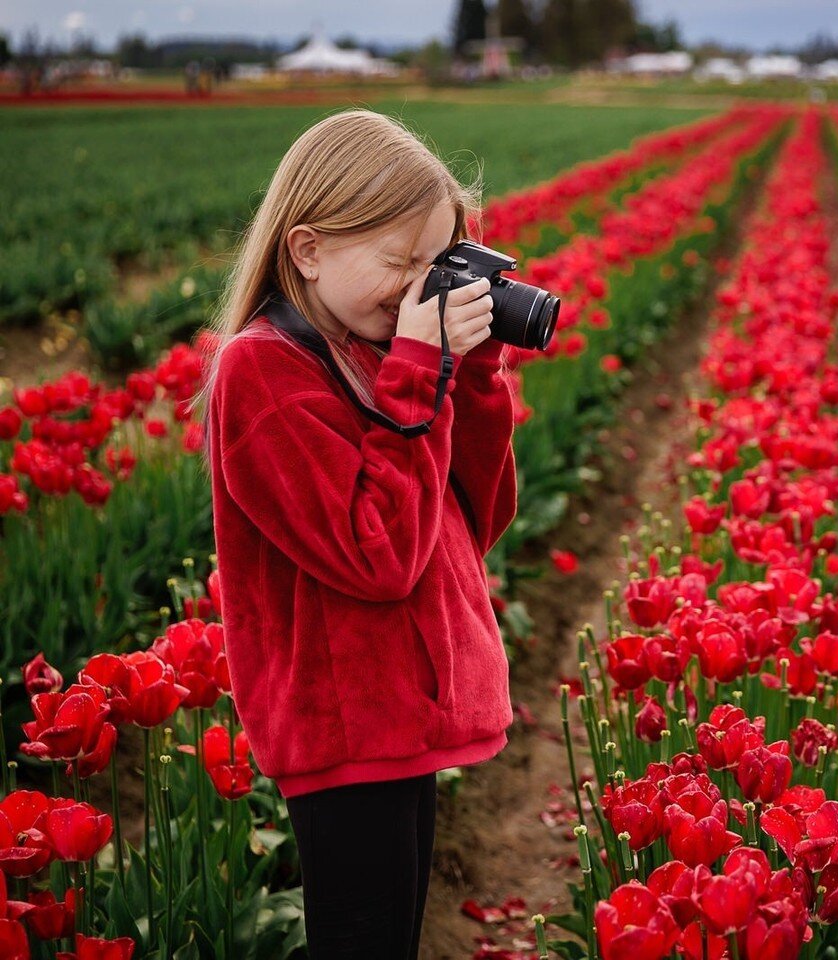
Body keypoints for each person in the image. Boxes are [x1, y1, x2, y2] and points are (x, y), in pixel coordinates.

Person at [197, 109, 518, 959]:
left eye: (438, 263)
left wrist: (471, 370)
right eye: (402, 261)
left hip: (404, 721)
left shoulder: (375, 348)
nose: (421, 288)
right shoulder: (262, 370)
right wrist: (419, 376)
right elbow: (377, 558)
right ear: (307, 250)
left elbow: (474, 516)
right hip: (345, 737)